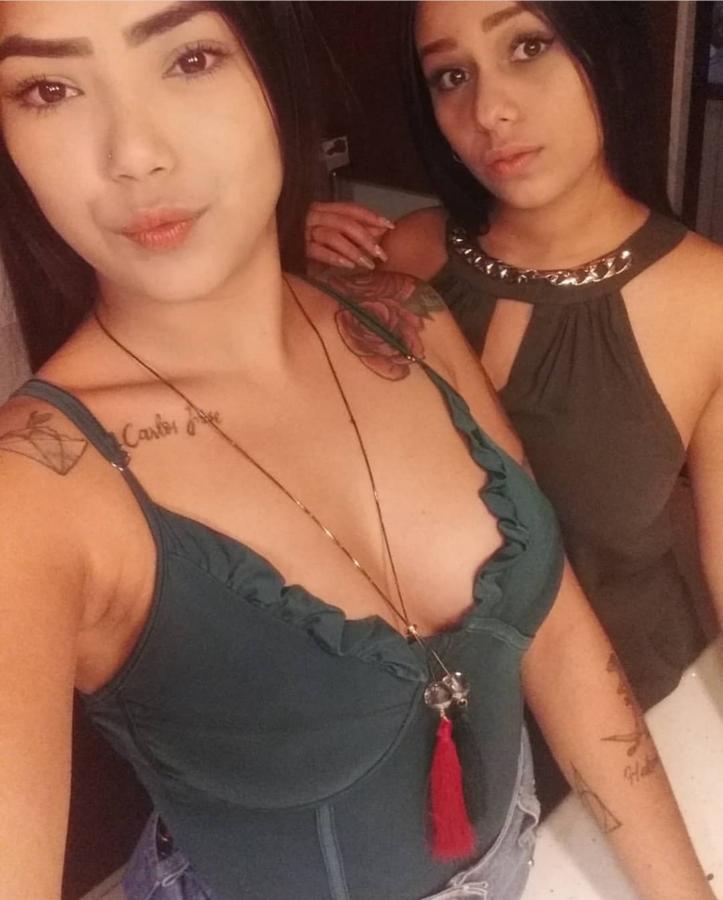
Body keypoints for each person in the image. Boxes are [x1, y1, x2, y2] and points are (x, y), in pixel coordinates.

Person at [0, 3, 716, 900]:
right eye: (49, 89)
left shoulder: (406, 320)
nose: (134, 154)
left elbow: (561, 635)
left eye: (190, 60)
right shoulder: (36, 494)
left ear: (275, 75)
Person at [306, 0, 723, 808]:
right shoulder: (405, 257)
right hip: (424, 719)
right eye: (449, 76)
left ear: (603, 51)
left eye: (528, 46)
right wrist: (277, 267)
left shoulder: (706, 299)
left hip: (624, 723)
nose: (488, 111)